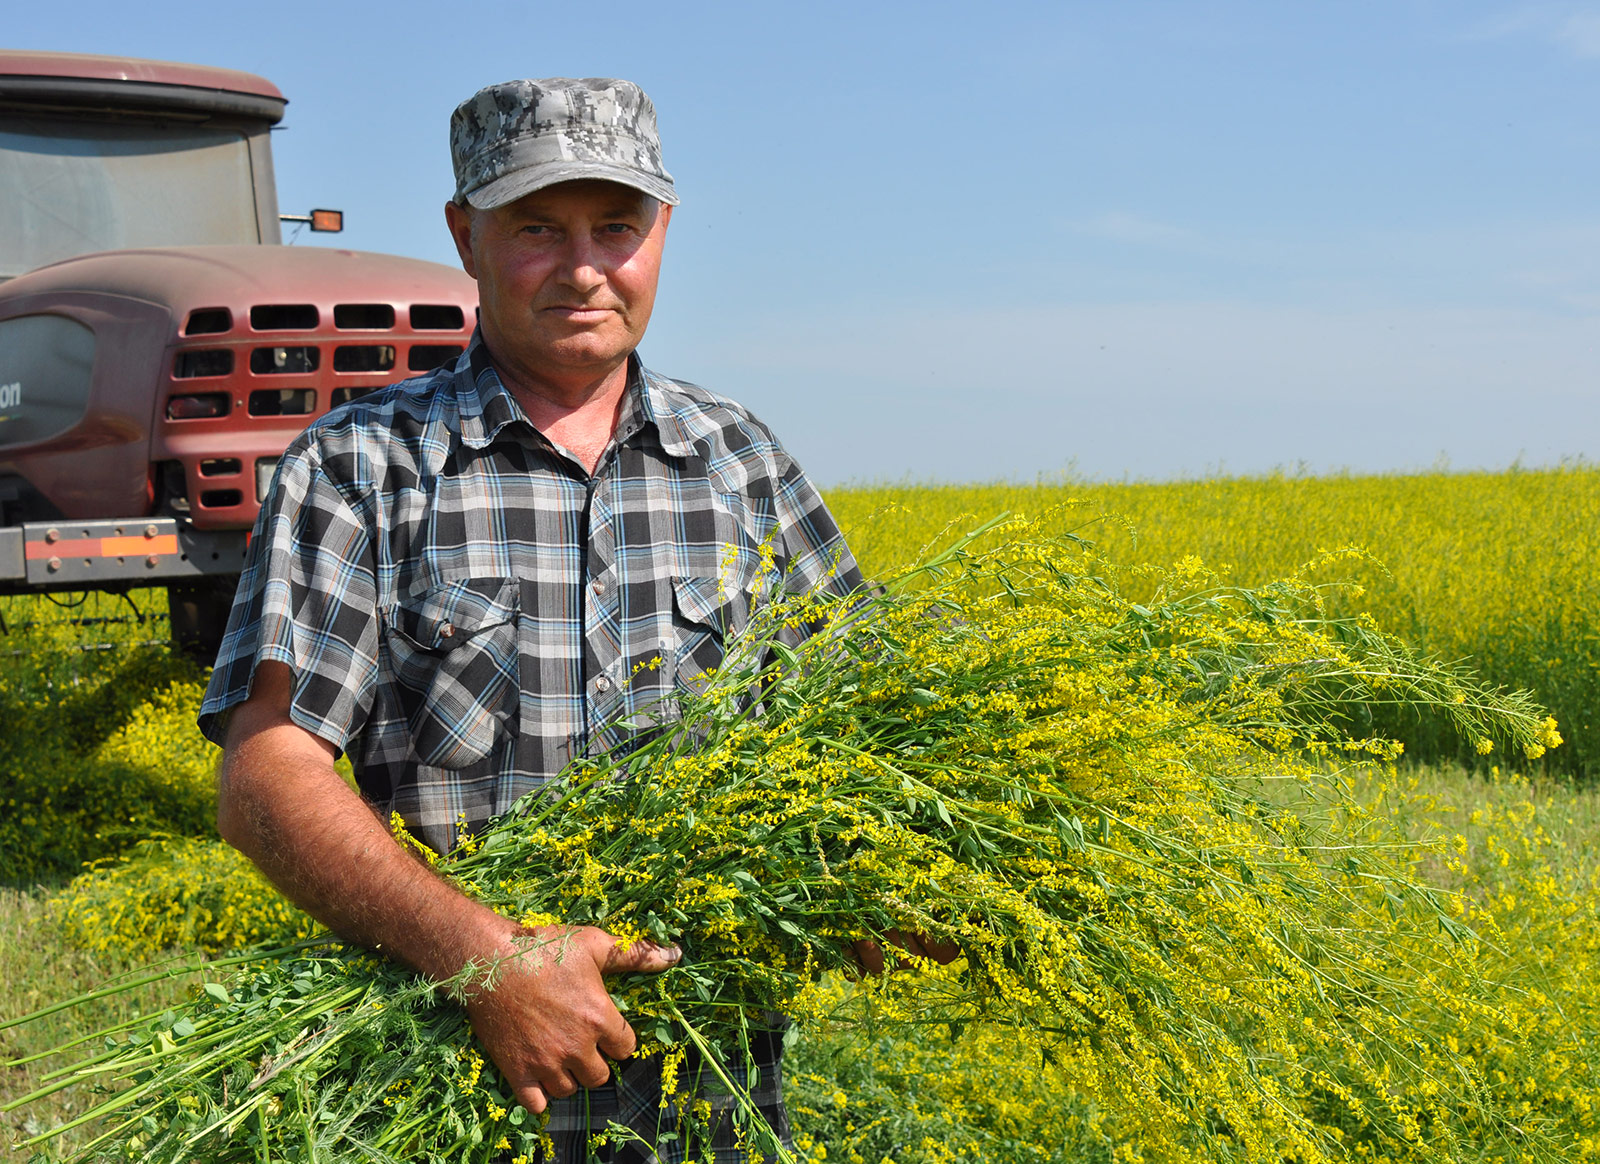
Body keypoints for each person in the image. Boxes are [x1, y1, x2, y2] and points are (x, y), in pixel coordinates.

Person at [200, 77, 864, 1162]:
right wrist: (486, 959)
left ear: (662, 232)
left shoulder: (738, 461)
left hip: (711, 1079)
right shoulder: (359, 467)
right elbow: (265, 774)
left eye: (618, 226)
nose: (586, 267)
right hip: (451, 1082)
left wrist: (905, 871)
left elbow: (864, 716)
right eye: (537, 230)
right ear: (465, 237)